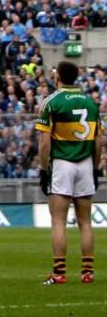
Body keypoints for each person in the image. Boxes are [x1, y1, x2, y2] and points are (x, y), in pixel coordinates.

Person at [36, 61, 102, 285]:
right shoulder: (91, 103)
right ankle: (87, 272)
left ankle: (59, 273)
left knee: (58, 221)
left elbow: (44, 143)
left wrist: (44, 170)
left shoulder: (51, 102)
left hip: (62, 163)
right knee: (85, 222)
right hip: (85, 163)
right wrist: (95, 167)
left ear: (59, 77)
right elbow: (99, 140)